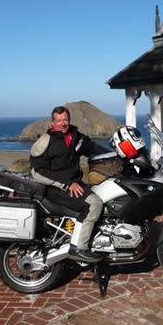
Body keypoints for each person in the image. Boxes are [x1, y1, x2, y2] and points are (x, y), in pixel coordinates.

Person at [30, 106, 109, 262]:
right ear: (52, 122)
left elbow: (94, 149)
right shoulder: (45, 142)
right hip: (57, 189)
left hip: (75, 184)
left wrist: (117, 156)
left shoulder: (75, 136)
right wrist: (67, 184)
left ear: (69, 120)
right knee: (94, 204)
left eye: (65, 120)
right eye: (59, 120)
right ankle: (78, 248)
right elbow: (37, 172)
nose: (63, 123)